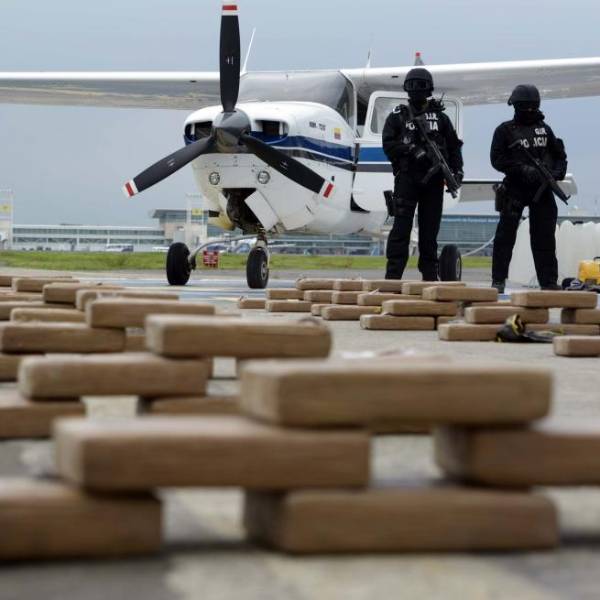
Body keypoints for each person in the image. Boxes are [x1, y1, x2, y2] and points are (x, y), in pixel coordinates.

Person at [382, 68, 464, 280]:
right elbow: (388, 145)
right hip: (407, 178)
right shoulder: (398, 116)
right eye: (412, 86)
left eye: (420, 86)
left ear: (429, 89)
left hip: (434, 180)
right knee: (401, 229)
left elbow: (454, 147)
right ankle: (393, 277)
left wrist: (457, 171)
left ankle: (429, 276)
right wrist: (411, 150)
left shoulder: (441, 119)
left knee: (429, 231)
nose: (416, 90)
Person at [491, 84, 568, 293]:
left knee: (544, 238)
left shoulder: (545, 130)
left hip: (542, 189)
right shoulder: (505, 130)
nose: (529, 111)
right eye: (526, 107)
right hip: (515, 188)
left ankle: (548, 282)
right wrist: (522, 169)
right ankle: (498, 280)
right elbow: (497, 159)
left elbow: (560, 156)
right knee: (505, 237)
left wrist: (555, 173)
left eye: (532, 107)